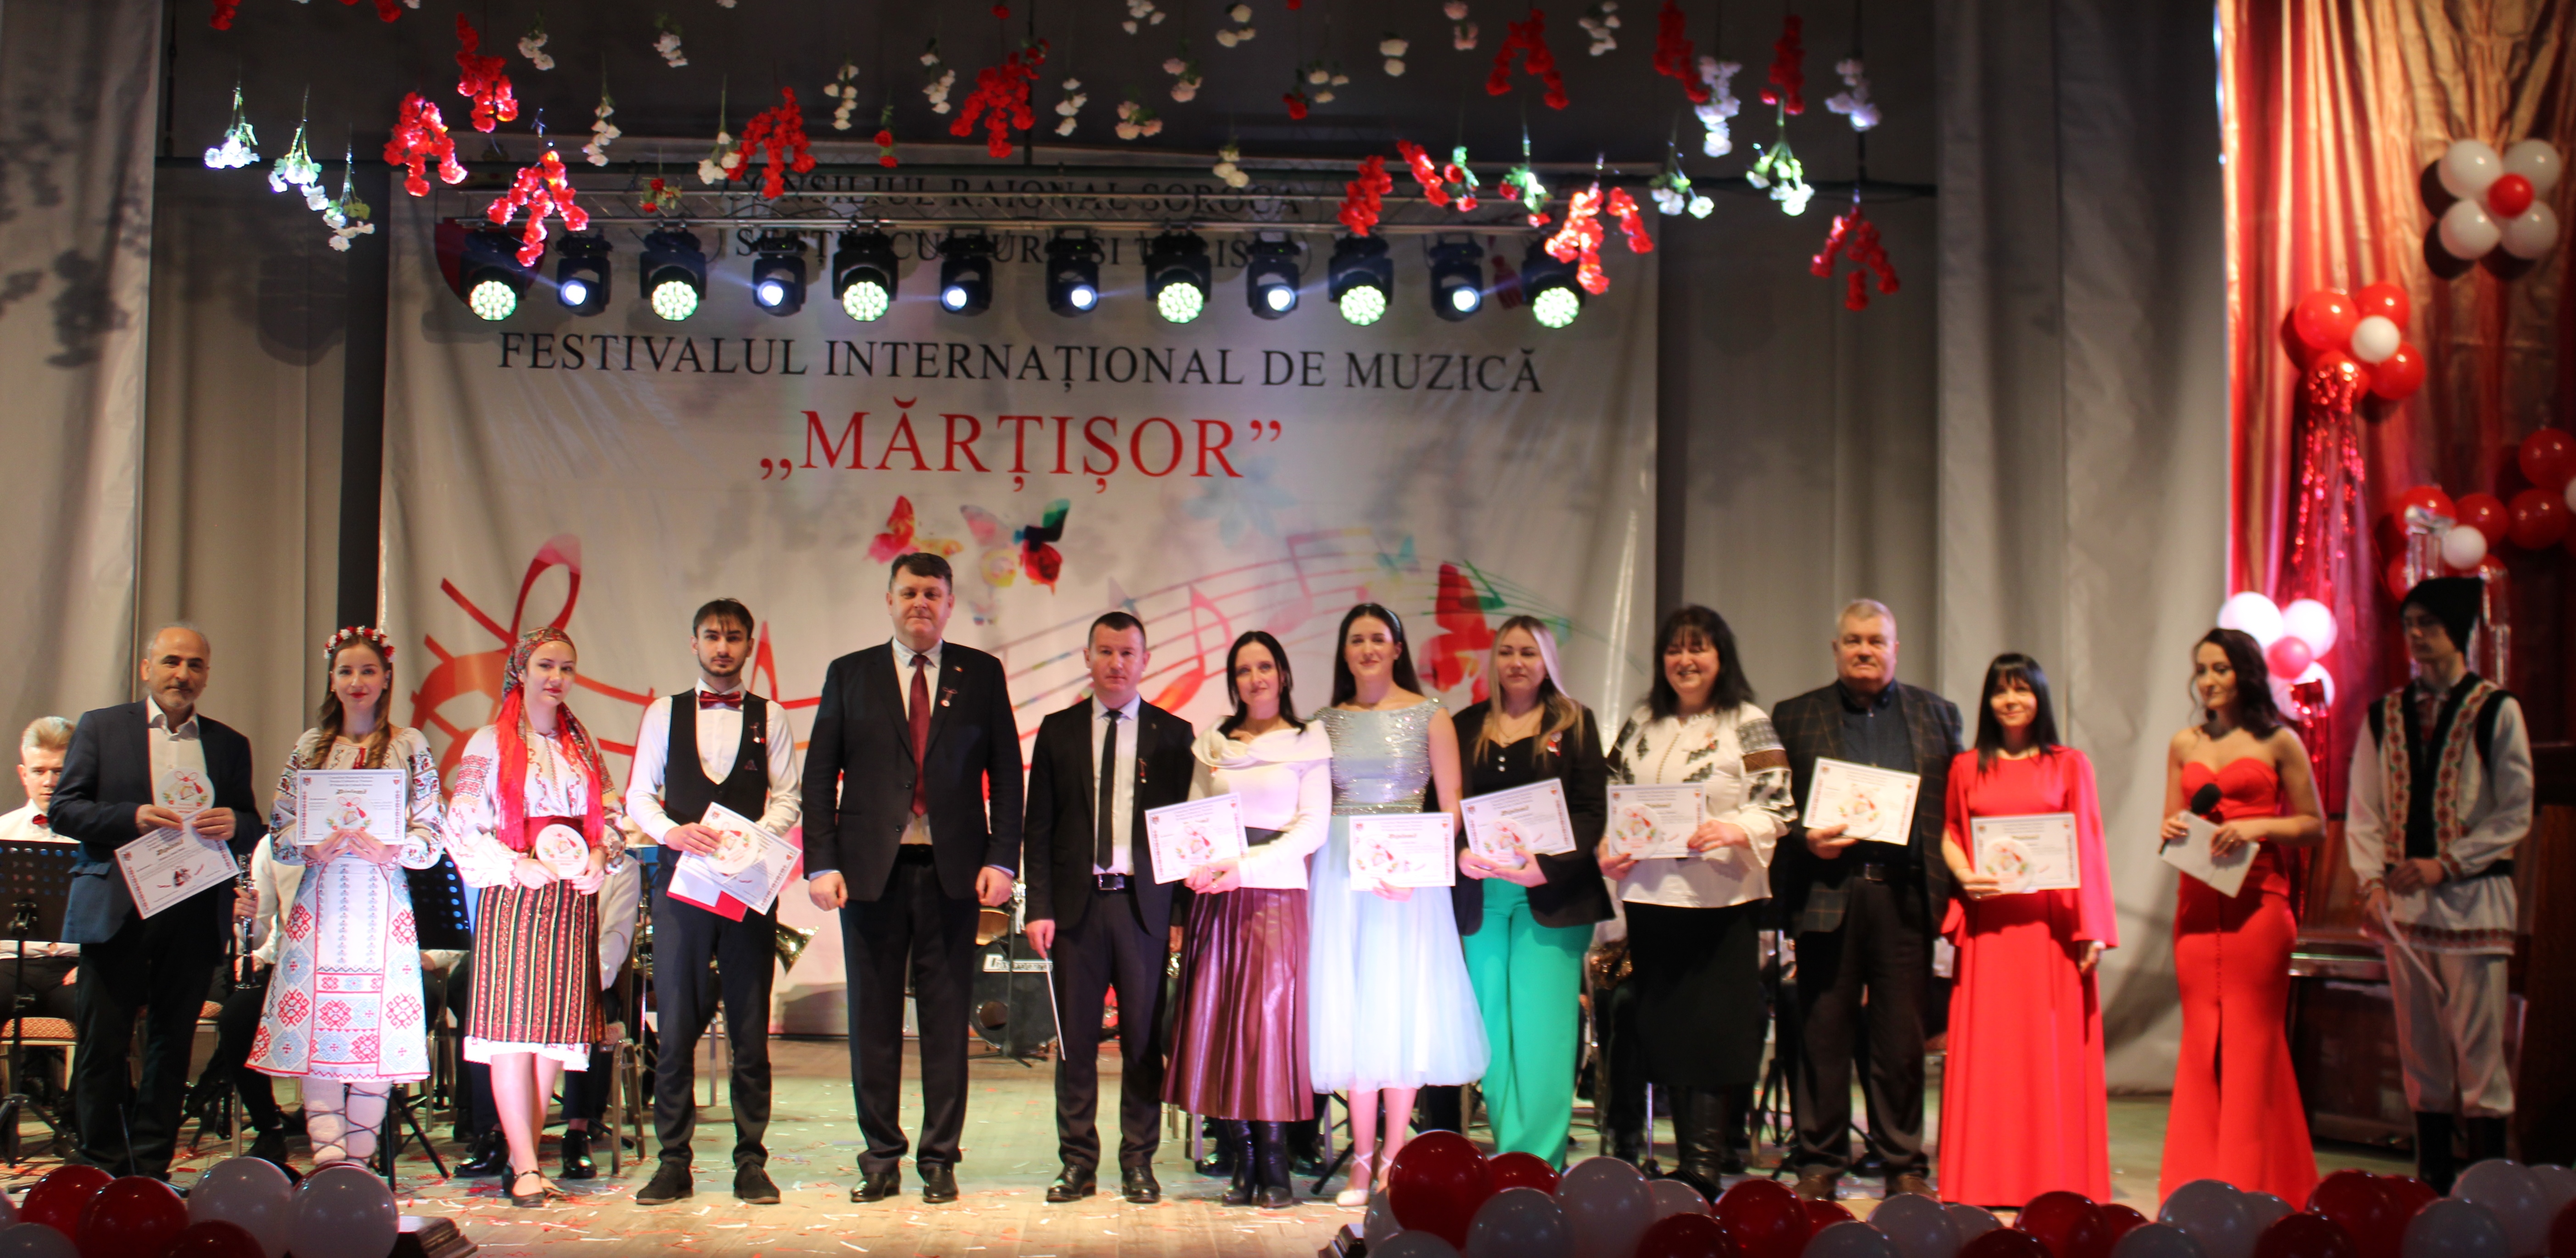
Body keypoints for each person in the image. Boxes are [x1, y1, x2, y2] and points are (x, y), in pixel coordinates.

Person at [802, 552, 1022, 1205]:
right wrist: (822, 862)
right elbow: (821, 775)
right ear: (889, 600)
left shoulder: (981, 674)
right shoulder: (850, 674)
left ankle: (940, 1158)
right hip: (870, 874)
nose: (920, 603)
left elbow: (1007, 773)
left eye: (932, 592)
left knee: (946, 1023)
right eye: (908, 592)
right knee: (872, 1022)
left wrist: (1001, 859)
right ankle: (880, 1158)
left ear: (950, 603)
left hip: (954, 873)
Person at [50, 625, 269, 1179]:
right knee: (103, 1045)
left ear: (207, 675)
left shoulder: (228, 743)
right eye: (172, 661)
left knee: (171, 1049)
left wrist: (236, 822)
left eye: (195, 665)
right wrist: (131, 817)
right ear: (147, 668)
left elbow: (251, 823)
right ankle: (101, 1167)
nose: (183, 674)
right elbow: (64, 809)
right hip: (117, 910)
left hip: (194, 910)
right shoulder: (101, 727)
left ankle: (151, 1170)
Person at [2344, 578, 2532, 1191]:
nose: (2417, 635)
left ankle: (2489, 1186)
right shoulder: (2385, 715)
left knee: (2479, 1046)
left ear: (2457, 629)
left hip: (2473, 901)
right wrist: (2371, 882)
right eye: (2410, 624)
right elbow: (2365, 808)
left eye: (2428, 623)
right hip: (2407, 906)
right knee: (2419, 1047)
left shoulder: (2495, 709)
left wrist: (2447, 862)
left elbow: (2515, 809)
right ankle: (2431, 1180)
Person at [1770, 600, 1960, 1201]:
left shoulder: (1939, 715)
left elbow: (1957, 807)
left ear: (1895, 650)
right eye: (1853, 640)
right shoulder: (1793, 716)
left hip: (1904, 895)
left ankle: (1902, 1161)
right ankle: (1819, 1160)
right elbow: (1771, 805)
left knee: (1901, 1038)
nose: (1864, 650)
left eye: (1876, 641)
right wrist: (1805, 837)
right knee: (1822, 1032)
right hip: (1827, 892)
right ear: (1835, 649)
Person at [1598, 607, 1792, 1194]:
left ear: (1720, 656)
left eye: (1697, 648)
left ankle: (1703, 1165)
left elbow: (1778, 804)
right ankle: (1679, 1162)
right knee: (1664, 1028)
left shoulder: (1748, 723)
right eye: (1673, 650)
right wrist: (1608, 846)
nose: (1684, 660)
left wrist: (1735, 827)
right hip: (1652, 898)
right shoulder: (1642, 722)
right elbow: (1612, 791)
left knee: (1710, 1032)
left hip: (1720, 901)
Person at [1308, 604, 1489, 1207]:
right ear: (1345, 650)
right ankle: (1359, 1162)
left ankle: (1392, 1160)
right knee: (1352, 1005)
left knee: (1400, 1006)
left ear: (1396, 647)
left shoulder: (1430, 714)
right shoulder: (1324, 722)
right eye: (1356, 639)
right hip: (1341, 872)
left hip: (1408, 877)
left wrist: (1417, 865)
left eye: (1378, 638)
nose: (1367, 649)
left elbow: (1451, 804)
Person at [245, 626, 445, 1171]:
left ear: (386, 678)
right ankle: (329, 1163)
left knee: (375, 1037)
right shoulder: (310, 746)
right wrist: (307, 845)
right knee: (320, 1037)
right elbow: (279, 831)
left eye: (368, 671)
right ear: (332, 680)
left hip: (382, 908)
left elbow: (432, 834)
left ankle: (358, 1163)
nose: (357, 681)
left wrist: (395, 847)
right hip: (321, 908)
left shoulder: (409, 745)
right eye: (346, 671)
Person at [627, 598, 803, 1207]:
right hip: (682, 885)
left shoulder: (770, 716)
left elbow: (789, 796)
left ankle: (751, 1161)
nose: (722, 647)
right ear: (694, 643)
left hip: (747, 887)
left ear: (749, 645)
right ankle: (673, 1161)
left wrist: (754, 838)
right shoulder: (664, 712)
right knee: (676, 1026)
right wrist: (671, 832)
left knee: (750, 1028)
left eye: (733, 637)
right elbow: (639, 795)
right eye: (711, 636)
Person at [443, 628, 624, 1208]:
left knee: (552, 1037)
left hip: (571, 901)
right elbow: (460, 824)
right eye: (546, 665)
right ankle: (523, 1162)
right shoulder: (489, 742)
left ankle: (525, 1159)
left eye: (567, 667)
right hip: (515, 898)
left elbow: (612, 814)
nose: (557, 677)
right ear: (521, 670)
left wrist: (600, 854)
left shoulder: (581, 744)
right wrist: (512, 863)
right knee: (511, 1034)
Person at [1023, 612, 1198, 1205]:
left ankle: (1138, 1162)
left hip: (1143, 909)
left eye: (1127, 653)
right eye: (1105, 651)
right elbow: (1039, 827)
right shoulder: (1058, 730)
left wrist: (1178, 914)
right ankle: (1077, 1162)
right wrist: (1038, 906)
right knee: (1075, 1041)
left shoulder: (1174, 735)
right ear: (1087, 656)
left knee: (1142, 1042)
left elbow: (1184, 831)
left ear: (1145, 660)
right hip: (1076, 910)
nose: (1116, 663)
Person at [1933, 654, 2117, 1207]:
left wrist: (2091, 929)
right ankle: (1983, 1178)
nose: (2010, 700)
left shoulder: (2069, 764)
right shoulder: (1966, 766)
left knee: (2046, 1052)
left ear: (2039, 697)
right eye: (2000, 691)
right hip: (1991, 930)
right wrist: (1964, 874)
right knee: (1992, 1056)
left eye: (2021, 690)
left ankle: (2052, 1178)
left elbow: (2088, 843)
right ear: (1987, 700)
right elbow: (1950, 831)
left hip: (2049, 931)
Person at [2156, 627, 2322, 1204]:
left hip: (2258, 904)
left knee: (2252, 1042)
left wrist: (2256, 827)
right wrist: (2172, 827)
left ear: (2245, 673)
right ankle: (2195, 1188)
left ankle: (2255, 1188)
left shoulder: (2279, 741)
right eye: (2201, 669)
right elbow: (2169, 823)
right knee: (2200, 1041)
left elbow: (2313, 825)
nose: (2207, 680)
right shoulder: (2184, 743)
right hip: (2197, 905)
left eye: (2220, 669)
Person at [1167, 630, 1333, 1207]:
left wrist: (1246, 865)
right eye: (1243, 669)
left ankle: (1275, 1164)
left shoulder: (1308, 739)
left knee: (1267, 1028)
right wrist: (1196, 865)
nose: (1255, 678)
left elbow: (1312, 828)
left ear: (1283, 674)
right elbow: (1193, 816)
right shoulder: (1214, 741)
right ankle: (1241, 1159)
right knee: (1220, 1024)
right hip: (1218, 896)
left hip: (1275, 894)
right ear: (1232, 680)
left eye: (1265, 667)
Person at [1453, 617, 1611, 1167]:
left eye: (1529, 652)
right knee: (1490, 1033)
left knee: (1542, 1032)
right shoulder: (1465, 725)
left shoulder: (1575, 723)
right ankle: (1509, 1157)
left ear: (1546, 661)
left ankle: (1539, 1164)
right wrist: (1459, 853)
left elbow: (1591, 810)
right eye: (1507, 652)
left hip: (1553, 897)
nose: (1516, 662)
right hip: (1483, 896)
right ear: (1494, 660)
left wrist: (1548, 867)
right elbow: (1442, 808)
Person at [559, 851, 644, 1182]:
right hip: (537, 975)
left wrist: (585, 979)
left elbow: (615, 936)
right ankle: (492, 1130)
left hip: (591, 977)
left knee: (589, 1011)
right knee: (483, 1003)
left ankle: (578, 1131)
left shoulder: (621, 866)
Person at [0, 717, 80, 1023]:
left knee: (102, 1010)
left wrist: (95, 964)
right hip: (10, 964)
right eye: (39, 771)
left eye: (59, 771)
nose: (49, 781)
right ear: (24, 774)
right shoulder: (3, 832)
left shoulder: (102, 836)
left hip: (75, 966)